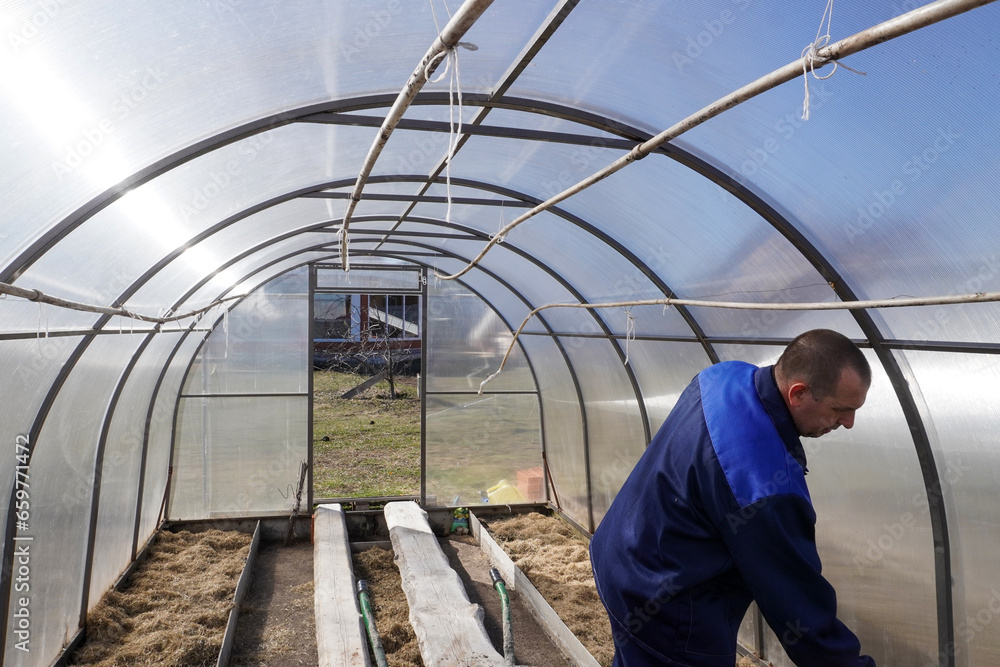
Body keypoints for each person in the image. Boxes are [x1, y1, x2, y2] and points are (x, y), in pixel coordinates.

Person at [590, 329, 876, 666]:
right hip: (663, 605)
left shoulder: (723, 376)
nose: (849, 422)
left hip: (621, 558)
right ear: (798, 393)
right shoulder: (761, 483)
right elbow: (798, 606)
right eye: (840, 409)